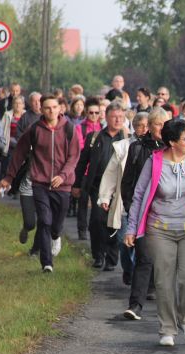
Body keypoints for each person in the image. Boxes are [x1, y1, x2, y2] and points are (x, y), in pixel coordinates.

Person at [124, 119, 185, 346]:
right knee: (163, 280)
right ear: (172, 142)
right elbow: (139, 195)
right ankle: (167, 328)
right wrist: (131, 229)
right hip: (159, 230)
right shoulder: (155, 161)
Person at [0, 94, 80, 272]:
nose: (51, 111)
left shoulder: (69, 129)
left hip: (63, 185)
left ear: (60, 109)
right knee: (44, 220)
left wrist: (63, 176)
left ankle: (56, 235)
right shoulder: (35, 129)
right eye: (47, 108)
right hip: (40, 183)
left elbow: (74, 157)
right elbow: (19, 153)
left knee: (56, 224)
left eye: (54, 107)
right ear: (41, 110)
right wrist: (9, 177)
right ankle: (47, 263)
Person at [121, 107, 167, 320]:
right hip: (142, 211)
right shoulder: (137, 148)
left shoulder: (172, 149)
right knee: (143, 258)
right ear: (149, 126)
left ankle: (170, 310)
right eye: (158, 124)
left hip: (167, 213)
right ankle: (135, 305)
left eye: (164, 124)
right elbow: (127, 182)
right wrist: (132, 208)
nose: (161, 128)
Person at [73, 101, 128, 271]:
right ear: (107, 117)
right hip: (97, 186)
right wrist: (76, 184)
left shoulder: (127, 139)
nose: (117, 120)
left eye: (120, 117)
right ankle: (98, 255)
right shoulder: (95, 137)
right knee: (97, 221)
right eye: (114, 117)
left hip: (119, 188)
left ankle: (112, 258)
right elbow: (82, 162)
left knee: (114, 223)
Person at [98, 112, 146, 287]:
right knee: (123, 241)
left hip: (145, 203)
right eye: (140, 125)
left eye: (147, 125)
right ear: (134, 126)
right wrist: (105, 196)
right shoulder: (123, 147)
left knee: (143, 244)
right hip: (125, 202)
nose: (144, 129)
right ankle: (128, 269)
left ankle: (138, 275)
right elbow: (111, 173)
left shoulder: (156, 147)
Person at [70, 97, 104, 236]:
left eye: (97, 113)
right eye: (91, 113)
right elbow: (80, 147)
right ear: (86, 112)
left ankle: (94, 228)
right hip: (84, 168)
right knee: (83, 200)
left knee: (97, 202)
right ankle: (82, 229)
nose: (94, 115)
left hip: (98, 170)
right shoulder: (80, 127)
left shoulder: (103, 128)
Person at [0, 95, 26, 183]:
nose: (18, 105)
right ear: (13, 105)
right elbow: (1, 129)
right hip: (9, 145)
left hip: (22, 146)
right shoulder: (7, 115)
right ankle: (5, 185)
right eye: (16, 103)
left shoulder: (26, 115)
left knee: (21, 167)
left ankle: (16, 187)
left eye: (19, 103)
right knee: (7, 166)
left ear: (23, 105)